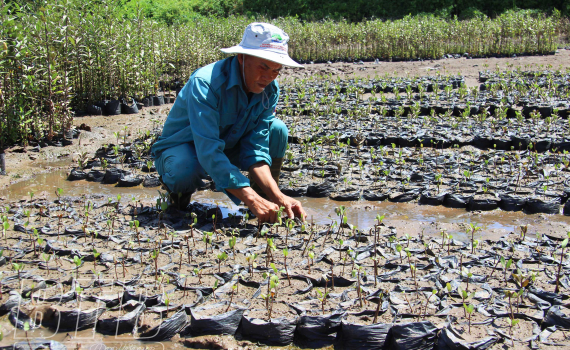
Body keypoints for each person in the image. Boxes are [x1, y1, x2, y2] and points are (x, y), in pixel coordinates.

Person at [151, 22, 306, 224]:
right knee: (183, 169)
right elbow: (208, 148)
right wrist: (249, 197)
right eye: (263, 67)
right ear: (241, 58)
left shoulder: (270, 89)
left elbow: (256, 148)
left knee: (277, 130)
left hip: (228, 145)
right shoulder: (205, 83)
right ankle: (178, 198)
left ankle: (266, 203)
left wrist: (279, 195)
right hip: (188, 147)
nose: (269, 77)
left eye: (276, 70)